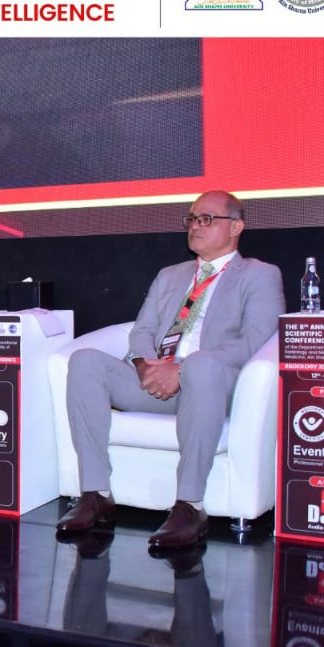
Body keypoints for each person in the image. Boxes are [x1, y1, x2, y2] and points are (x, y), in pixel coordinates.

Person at [57, 191, 284, 548]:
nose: (195, 226)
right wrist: (146, 365)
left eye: (207, 219)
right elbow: (142, 331)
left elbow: (255, 340)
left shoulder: (259, 275)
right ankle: (96, 495)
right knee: (85, 360)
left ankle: (189, 506)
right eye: (192, 219)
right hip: (156, 379)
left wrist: (181, 369)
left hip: (212, 385)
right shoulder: (170, 275)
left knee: (202, 365)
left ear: (236, 227)